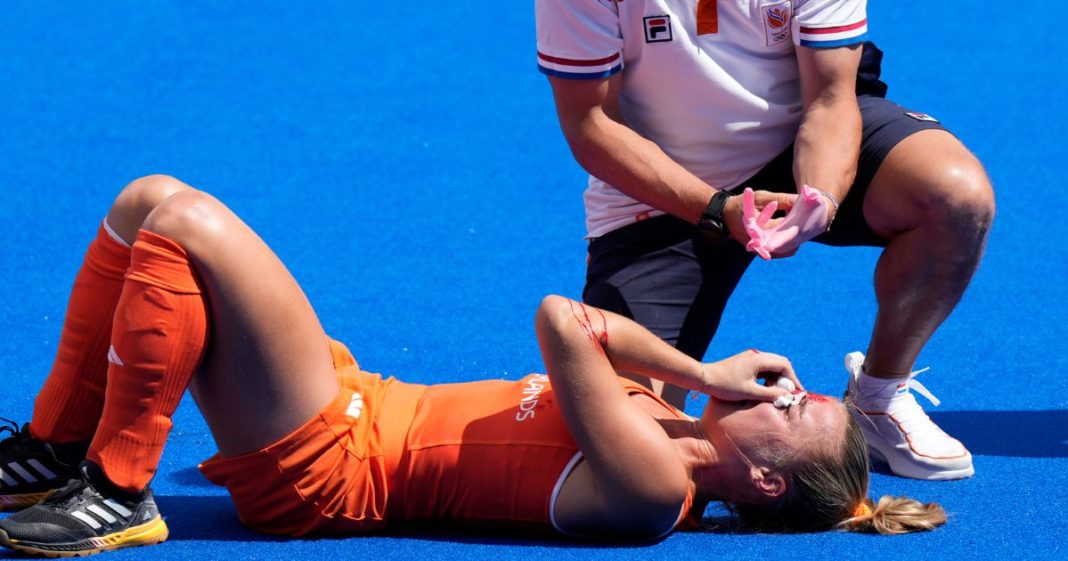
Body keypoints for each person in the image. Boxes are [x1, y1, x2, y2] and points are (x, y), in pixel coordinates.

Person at [0, 176, 944, 556]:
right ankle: (53, 447)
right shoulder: (663, 422)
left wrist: (704, 373)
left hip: (330, 466)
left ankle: (120, 489)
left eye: (792, 404)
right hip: (353, 400)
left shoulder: (656, 486)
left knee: (184, 224)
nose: (777, 387)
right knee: (147, 204)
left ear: (766, 475)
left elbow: (565, 323)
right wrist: (695, 381)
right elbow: (606, 336)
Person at [535, 0, 994, 480]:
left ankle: (878, 397)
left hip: (799, 140)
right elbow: (590, 123)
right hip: (663, 188)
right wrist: (717, 209)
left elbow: (831, 98)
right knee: (630, 447)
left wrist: (822, 198)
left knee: (955, 198)